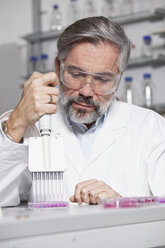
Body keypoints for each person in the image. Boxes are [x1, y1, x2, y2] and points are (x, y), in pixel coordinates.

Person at [0, 16, 165, 207]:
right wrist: (16, 123)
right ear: (58, 68)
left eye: (102, 79)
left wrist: (122, 204)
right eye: (76, 74)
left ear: (118, 80)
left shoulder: (150, 126)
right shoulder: (31, 126)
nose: (86, 91)